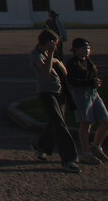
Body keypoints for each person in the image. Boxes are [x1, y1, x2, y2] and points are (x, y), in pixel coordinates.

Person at [30, 28, 80, 173]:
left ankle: (40, 146)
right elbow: (45, 71)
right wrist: (52, 55)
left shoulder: (48, 54)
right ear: (46, 41)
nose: (55, 46)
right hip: (46, 92)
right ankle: (69, 159)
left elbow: (61, 68)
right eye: (53, 43)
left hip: (59, 91)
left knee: (55, 122)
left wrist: (56, 60)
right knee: (59, 125)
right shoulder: (35, 55)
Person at [65, 37, 108, 164]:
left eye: (88, 48)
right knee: (85, 123)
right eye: (83, 48)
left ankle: (96, 146)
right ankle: (85, 152)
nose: (87, 50)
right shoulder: (72, 64)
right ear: (75, 50)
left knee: (106, 121)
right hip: (80, 94)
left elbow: (92, 77)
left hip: (93, 93)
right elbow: (71, 81)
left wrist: (96, 82)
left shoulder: (89, 62)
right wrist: (89, 82)